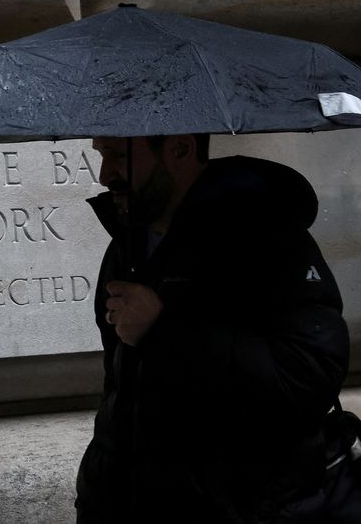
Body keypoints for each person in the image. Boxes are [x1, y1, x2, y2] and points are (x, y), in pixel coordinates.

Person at [75, 134, 350, 523]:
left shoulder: (269, 237)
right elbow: (122, 387)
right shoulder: (128, 245)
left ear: (180, 148)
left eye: (119, 155)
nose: (105, 175)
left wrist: (163, 329)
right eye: (101, 156)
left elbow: (307, 378)